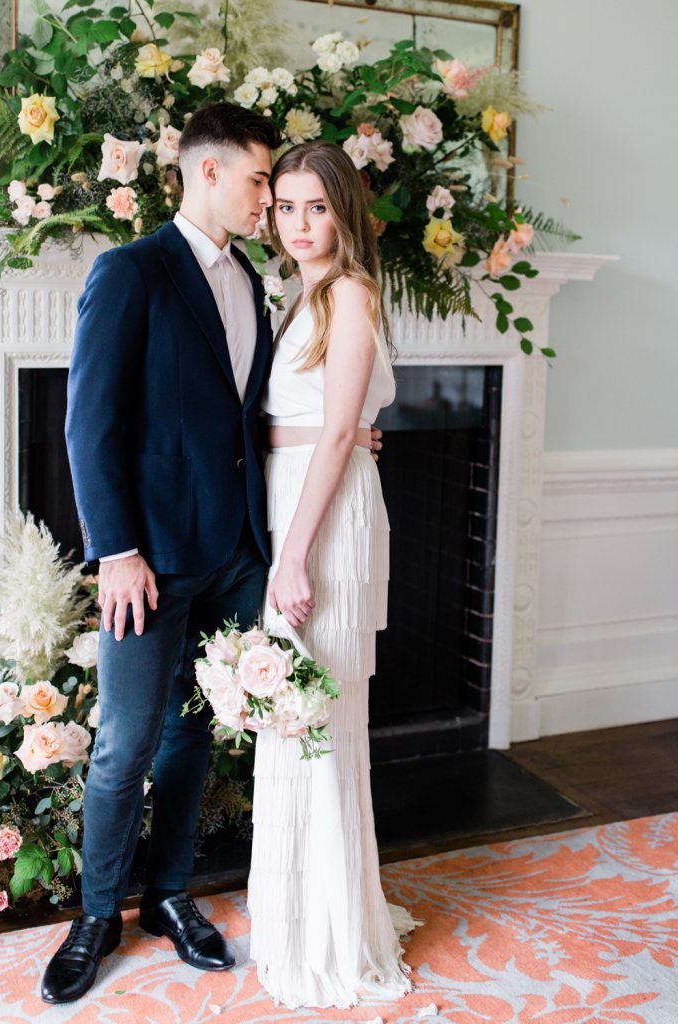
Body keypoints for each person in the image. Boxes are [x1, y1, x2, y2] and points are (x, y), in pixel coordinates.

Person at [42, 103, 283, 1004]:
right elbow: (89, 425)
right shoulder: (130, 272)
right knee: (124, 743)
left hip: (234, 554)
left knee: (196, 736)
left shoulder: (250, 281)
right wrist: (117, 551)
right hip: (148, 562)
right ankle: (95, 914)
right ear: (209, 173)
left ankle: (169, 897)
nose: (269, 198)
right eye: (260, 179)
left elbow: (240, 420)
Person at [247, 140, 418, 1009]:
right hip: (299, 499)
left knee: (318, 718)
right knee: (295, 720)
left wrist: (291, 555)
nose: (299, 224)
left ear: (343, 212)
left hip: (323, 520)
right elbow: (320, 426)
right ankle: (294, 917)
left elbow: (340, 430)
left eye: (316, 208)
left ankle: (333, 932)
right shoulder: (299, 293)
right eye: (285, 207)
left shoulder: (348, 291)